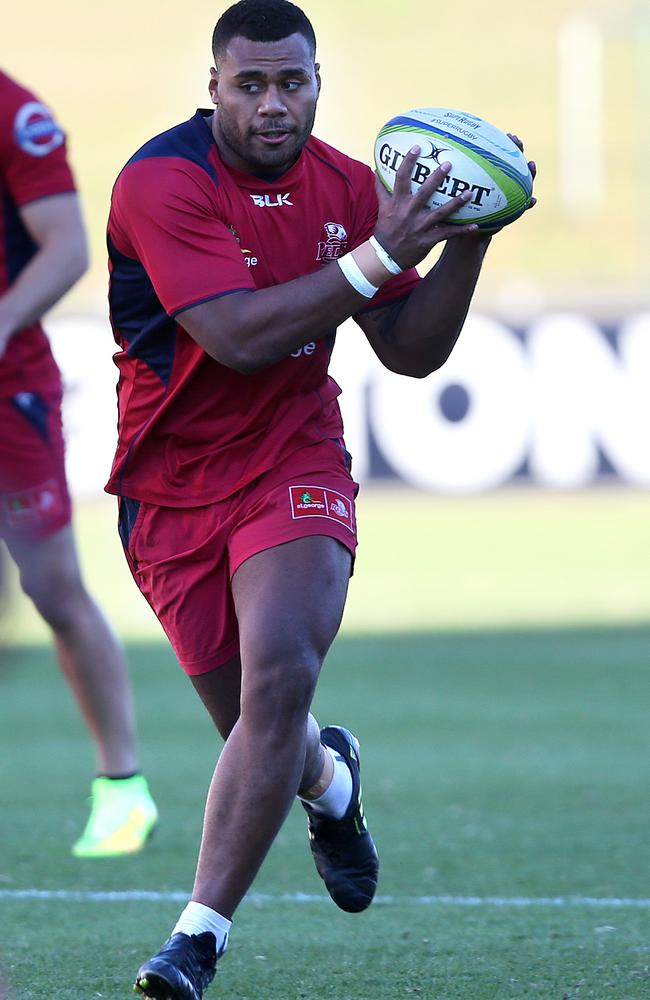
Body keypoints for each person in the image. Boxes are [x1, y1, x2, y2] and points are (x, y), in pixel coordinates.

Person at [106, 1, 536, 996]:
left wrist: (468, 238)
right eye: (248, 84)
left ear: (316, 83)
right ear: (213, 85)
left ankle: (196, 937)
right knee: (264, 731)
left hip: (293, 457)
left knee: (279, 678)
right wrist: (381, 255)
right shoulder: (161, 183)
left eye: (290, 82)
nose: (270, 104)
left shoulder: (349, 186)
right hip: (167, 491)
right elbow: (239, 337)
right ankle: (330, 782)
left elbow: (412, 352)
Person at [0, 70, 158, 857]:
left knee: (52, 587)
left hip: (7, 391)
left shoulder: (16, 114)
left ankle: (122, 786)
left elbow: (65, 249)